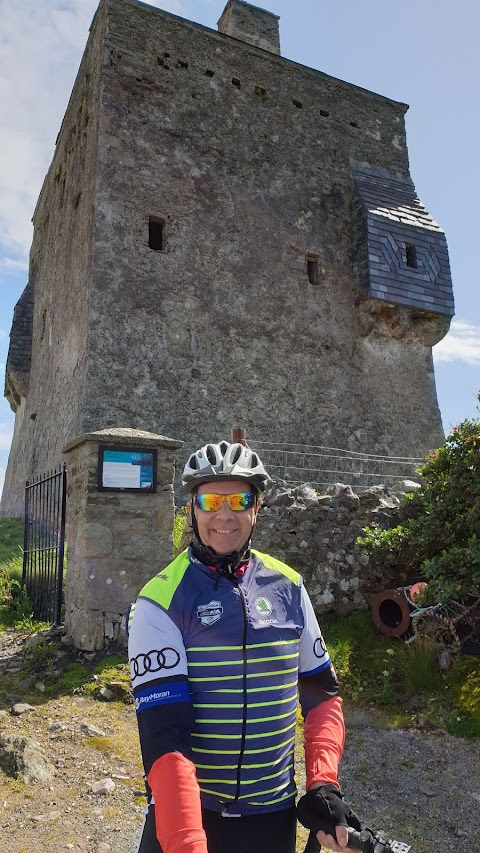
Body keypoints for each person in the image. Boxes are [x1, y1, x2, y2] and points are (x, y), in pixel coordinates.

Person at [128, 441, 360, 853]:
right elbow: (166, 739)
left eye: (239, 499)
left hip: (271, 819)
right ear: (191, 509)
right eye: (210, 500)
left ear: (257, 507)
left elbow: (321, 695)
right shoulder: (159, 602)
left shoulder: (289, 587)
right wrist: (187, 843)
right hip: (190, 813)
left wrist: (323, 782)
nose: (224, 514)